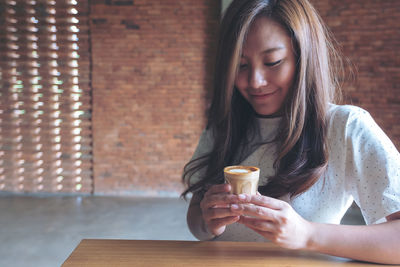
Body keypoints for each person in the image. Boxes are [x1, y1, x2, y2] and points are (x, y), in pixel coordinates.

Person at [181, 0, 400, 264]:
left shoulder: (346, 127)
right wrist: (208, 222)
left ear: (304, 57)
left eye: (272, 62)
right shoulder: (224, 126)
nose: (255, 82)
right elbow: (197, 221)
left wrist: (306, 234)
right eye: (240, 65)